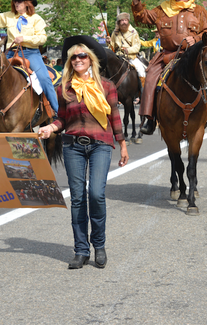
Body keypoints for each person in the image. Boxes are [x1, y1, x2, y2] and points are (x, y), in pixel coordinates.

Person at [37, 35, 128, 269]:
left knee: (96, 194)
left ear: (91, 60)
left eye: (82, 56)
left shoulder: (106, 86)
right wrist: (50, 128)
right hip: (73, 146)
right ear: (70, 62)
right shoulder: (64, 89)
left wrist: (123, 144)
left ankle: (99, 245)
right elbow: (62, 119)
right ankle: (80, 250)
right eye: (74, 57)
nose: (78, 59)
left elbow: (114, 116)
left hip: (100, 145)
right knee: (77, 198)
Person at [131, 0, 207, 133]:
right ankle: (150, 119)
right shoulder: (162, 9)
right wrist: (136, 1)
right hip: (167, 54)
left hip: (193, 54)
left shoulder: (199, 10)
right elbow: (143, 17)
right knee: (150, 77)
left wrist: (196, 38)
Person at [0, 0, 59, 124]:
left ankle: (56, 111)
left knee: (44, 78)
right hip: (11, 53)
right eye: (15, 1)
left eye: (19, 1)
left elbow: (42, 38)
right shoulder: (9, 17)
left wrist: (25, 38)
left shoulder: (36, 19)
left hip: (30, 53)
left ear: (28, 3)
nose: (16, 3)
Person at [107, 12, 147, 85]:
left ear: (128, 21)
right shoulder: (115, 33)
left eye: (125, 20)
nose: (124, 22)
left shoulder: (133, 32)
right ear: (119, 22)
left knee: (141, 70)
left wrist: (128, 50)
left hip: (131, 57)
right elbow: (112, 48)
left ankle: (142, 91)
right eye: (122, 21)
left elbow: (137, 46)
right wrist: (109, 42)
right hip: (118, 57)